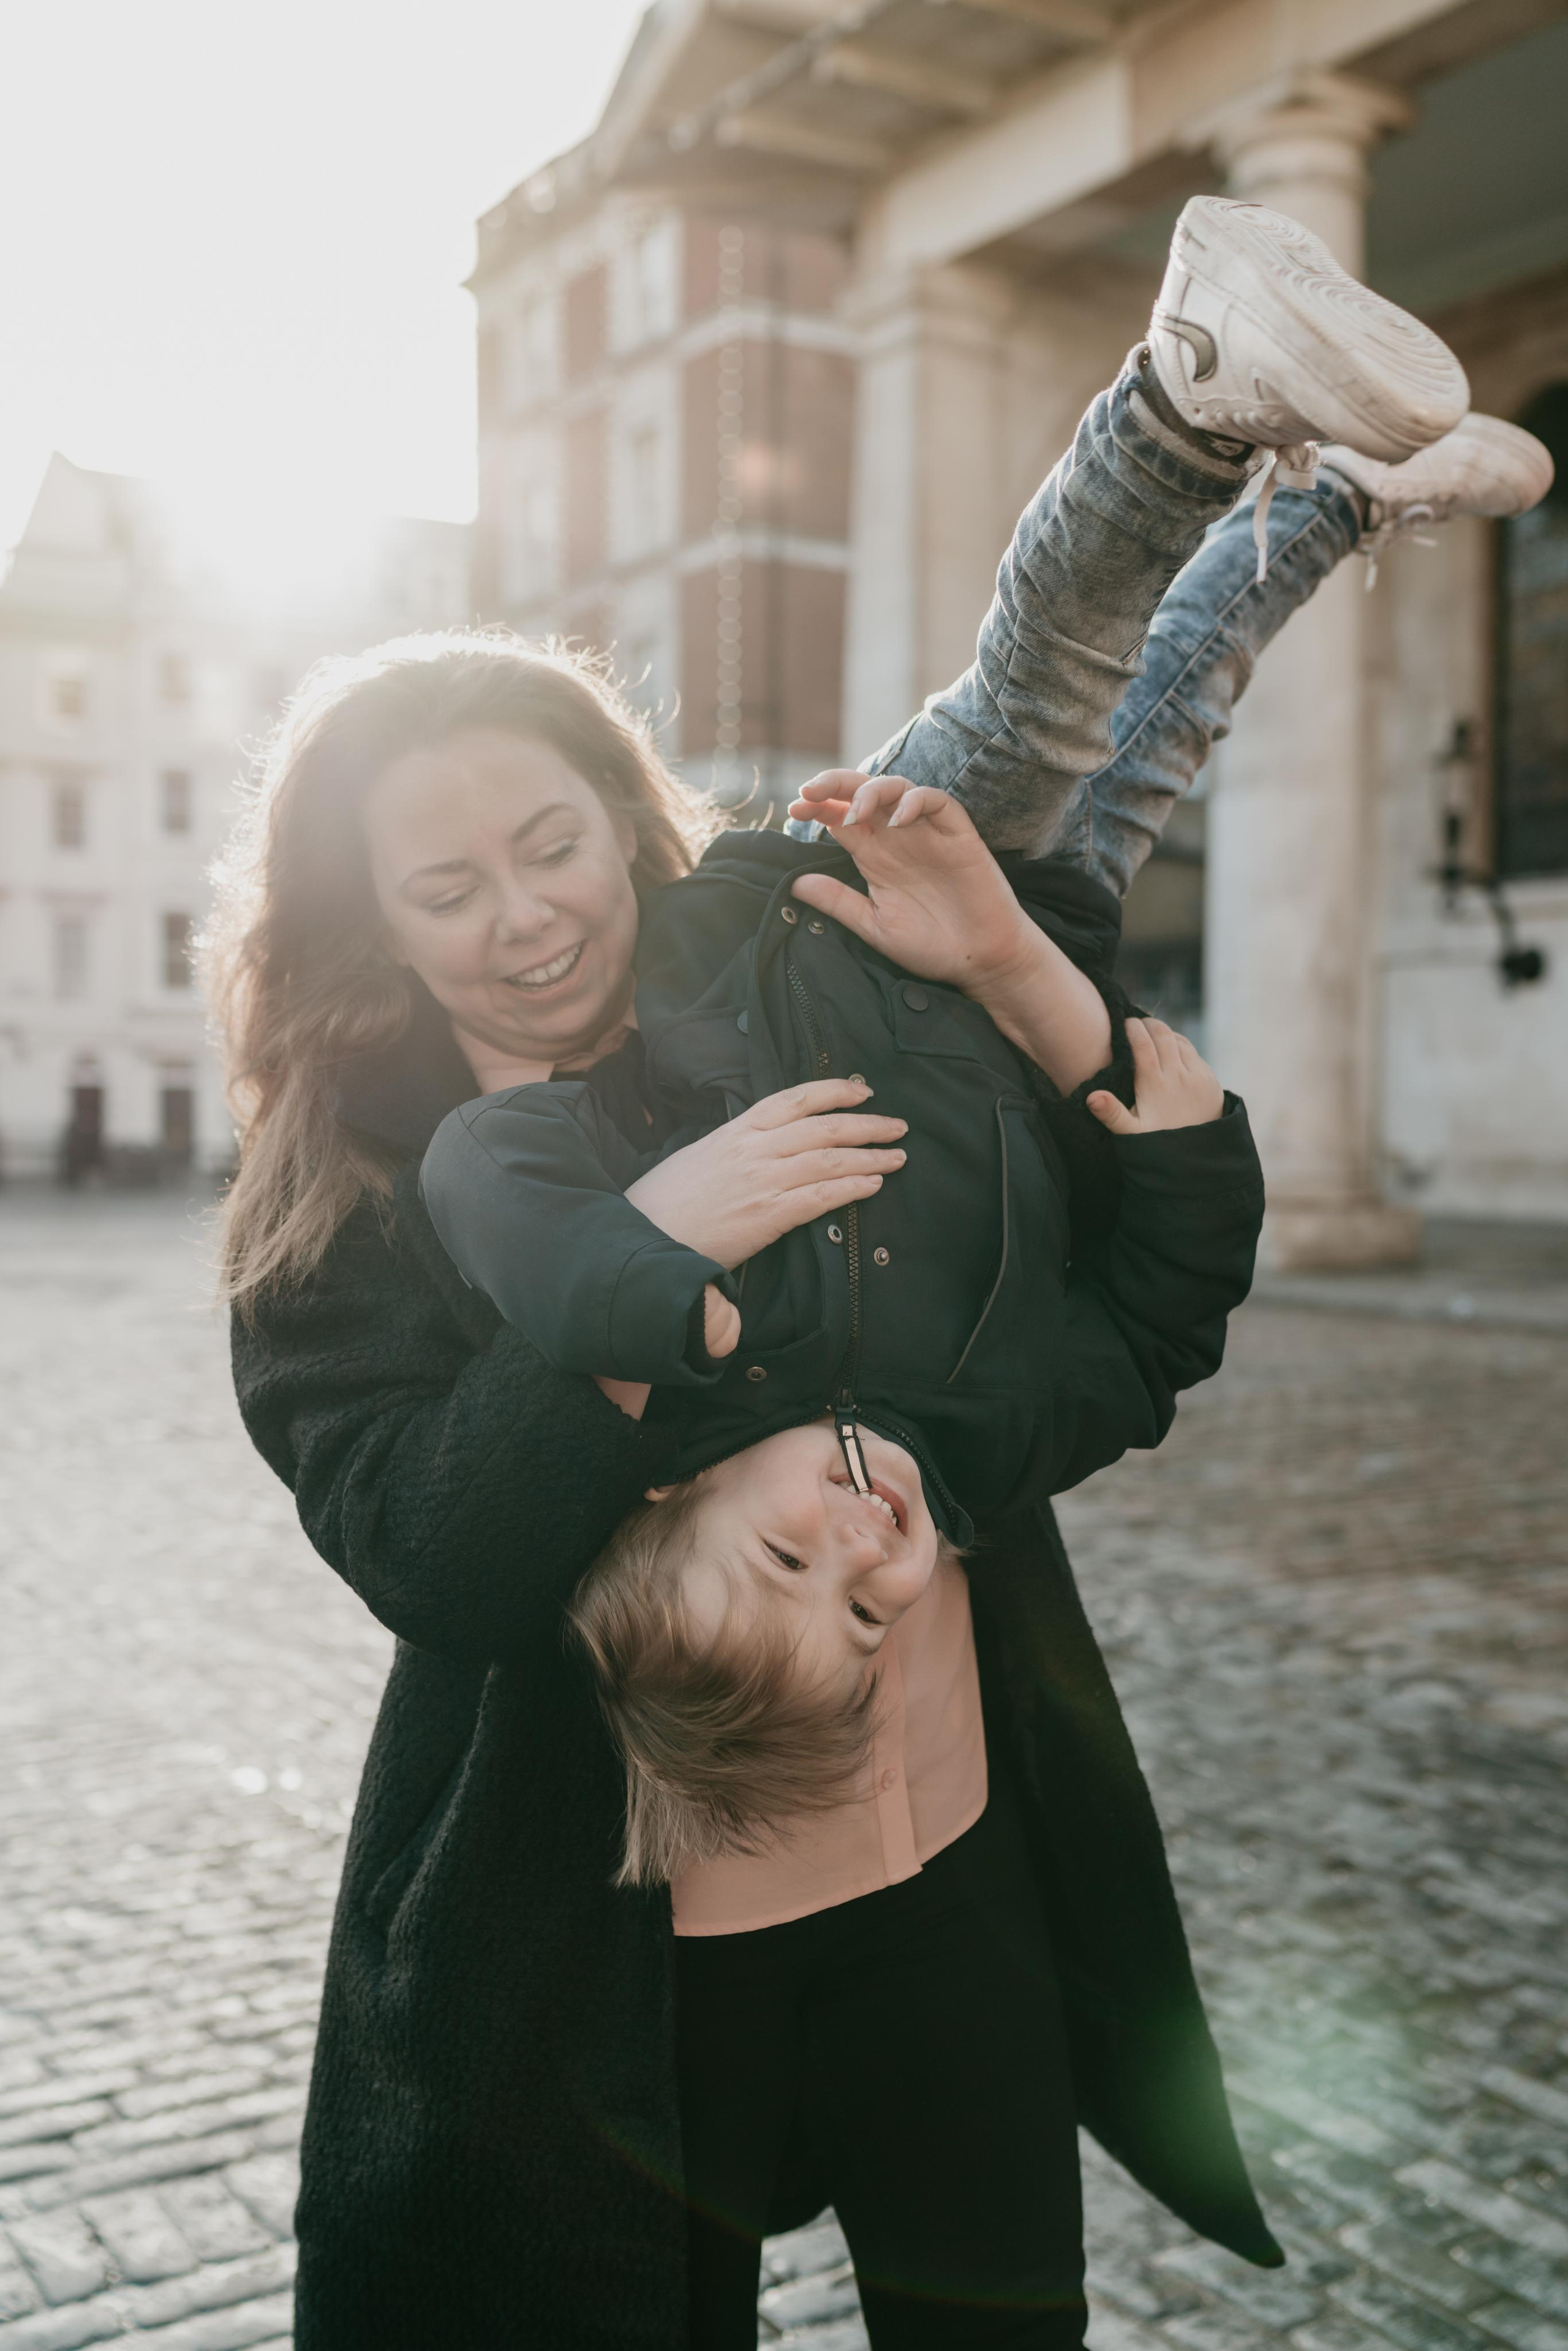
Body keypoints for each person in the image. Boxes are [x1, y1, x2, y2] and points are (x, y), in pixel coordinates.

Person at [214, 195, 1549, 2351]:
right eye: (447, 889)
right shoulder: (336, 1206)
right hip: (609, 1951)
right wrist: (656, 1258)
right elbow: (445, 1557)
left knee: (1035, 771)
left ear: (623, 826)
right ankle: (1270, 467)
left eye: (555, 848)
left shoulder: (740, 941)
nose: (526, 919)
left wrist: (1039, 999)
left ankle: (1213, 418)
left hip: (946, 1882)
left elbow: (1094, 1266)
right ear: (374, 921)